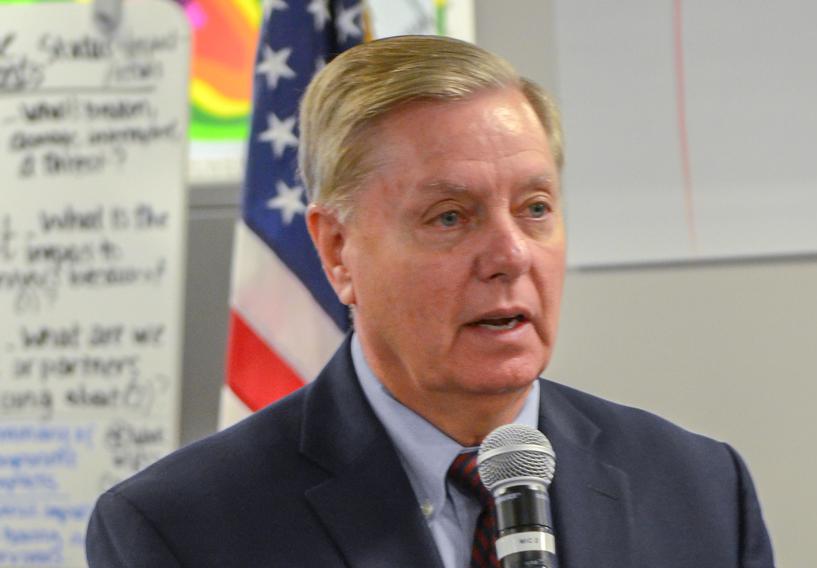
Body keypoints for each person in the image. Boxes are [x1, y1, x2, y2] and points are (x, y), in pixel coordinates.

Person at [86, 35, 774, 567]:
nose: (510, 255)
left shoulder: (700, 490)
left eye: (535, 209)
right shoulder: (180, 530)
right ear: (336, 251)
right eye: (450, 217)